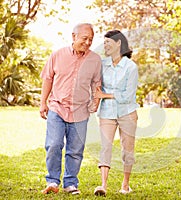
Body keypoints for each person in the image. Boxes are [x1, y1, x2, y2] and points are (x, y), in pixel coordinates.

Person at [39, 23, 102, 195]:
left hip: (80, 111)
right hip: (57, 107)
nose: (88, 42)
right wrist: (43, 102)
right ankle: (52, 181)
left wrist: (95, 102)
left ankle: (70, 183)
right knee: (53, 144)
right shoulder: (57, 55)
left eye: (91, 39)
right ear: (74, 36)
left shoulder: (95, 60)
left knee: (75, 150)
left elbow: (97, 84)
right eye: (84, 38)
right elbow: (48, 79)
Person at [93, 30, 139, 196]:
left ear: (118, 43)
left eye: (108, 42)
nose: (105, 45)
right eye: (104, 42)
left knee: (127, 149)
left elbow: (127, 95)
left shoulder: (131, 67)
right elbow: (96, 86)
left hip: (127, 112)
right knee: (105, 147)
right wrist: (95, 101)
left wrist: (105, 95)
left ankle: (125, 184)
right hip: (106, 112)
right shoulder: (102, 64)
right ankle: (103, 185)